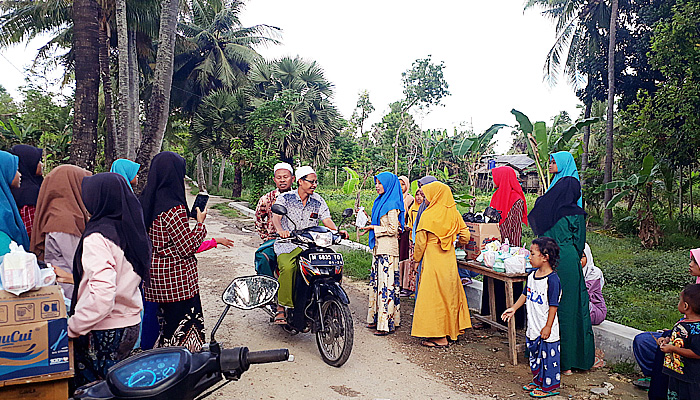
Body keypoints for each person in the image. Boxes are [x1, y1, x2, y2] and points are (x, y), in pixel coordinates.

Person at [68, 172, 151, 388]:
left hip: (104, 330)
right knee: (122, 387)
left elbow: (103, 295)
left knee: (99, 390)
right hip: (131, 324)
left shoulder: (97, 238)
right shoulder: (130, 230)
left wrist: (73, 327)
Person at [140, 151, 208, 352]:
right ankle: (182, 365)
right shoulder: (174, 207)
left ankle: (158, 359)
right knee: (182, 326)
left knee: (163, 325)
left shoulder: (148, 200)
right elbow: (186, 247)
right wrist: (200, 225)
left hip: (155, 275)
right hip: (177, 280)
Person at [528, 175, 595, 374]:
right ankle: (567, 362)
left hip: (544, 259)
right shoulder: (575, 213)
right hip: (566, 261)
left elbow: (538, 232)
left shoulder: (544, 206)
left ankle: (541, 354)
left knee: (544, 306)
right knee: (569, 309)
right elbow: (579, 243)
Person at [271, 165, 346, 325]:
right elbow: (276, 218)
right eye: (311, 181)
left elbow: (326, 220)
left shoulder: (318, 200)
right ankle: (281, 307)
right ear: (300, 182)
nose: (314, 185)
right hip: (288, 243)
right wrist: (281, 230)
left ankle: (331, 300)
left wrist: (337, 231)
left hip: (311, 245)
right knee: (288, 267)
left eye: (316, 182)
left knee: (332, 264)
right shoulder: (285, 199)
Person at [632, 248, 700, 397]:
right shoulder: (694, 291)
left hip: (689, 375)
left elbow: (696, 351)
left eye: (695, 261)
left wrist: (673, 345)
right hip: (680, 361)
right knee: (643, 341)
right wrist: (671, 336)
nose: (690, 264)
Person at [411, 181, 471, 348]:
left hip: (432, 260)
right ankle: (452, 332)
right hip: (449, 260)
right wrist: (457, 243)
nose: (425, 199)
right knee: (450, 294)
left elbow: (420, 244)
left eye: (427, 195)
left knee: (433, 297)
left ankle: (439, 337)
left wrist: (415, 261)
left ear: (435, 195)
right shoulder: (454, 213)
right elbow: (465, 234)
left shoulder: (428, 216)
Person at [502, 237, 562, 398]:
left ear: (545, 257)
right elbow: (525, 294)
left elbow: (553, 305)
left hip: (546, 328)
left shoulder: (553, 281)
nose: (529, 257)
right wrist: (514, 308)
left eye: (532, 254)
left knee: (548, 359)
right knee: (535, 357)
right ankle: (537, 381)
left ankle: (549, 387)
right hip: (533, 326)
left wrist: (548, 326)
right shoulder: (532, 275)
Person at [30, 165, 92, 302]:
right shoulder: (64, 219)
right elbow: (77, 261)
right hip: (69, 292)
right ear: (72, 186)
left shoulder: (60, 211)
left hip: (67, 287)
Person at [482, 166, 528, 329]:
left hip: (510, 248)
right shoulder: (496, 196)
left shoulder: (517, 199)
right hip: (494, 246)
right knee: (491, 279)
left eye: (495, 177)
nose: (493, 180)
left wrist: (508, 249)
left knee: (510, 282)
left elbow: (514, 227)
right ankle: (489, 316)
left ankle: (513, 322)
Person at [360, 172, 405, 336]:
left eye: (380, 183)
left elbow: (394, 229)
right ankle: (378, 318)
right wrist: (369, 224)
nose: (377, 186)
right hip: (379, 248)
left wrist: (374, 229)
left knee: (386, 287)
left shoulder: (392, 205)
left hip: (387, 250)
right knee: (379, 285)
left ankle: (385, 324)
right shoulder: (381, 202)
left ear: (388, 184)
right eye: (376, 183)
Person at [659, 284, 700, 400]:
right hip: (676, 374)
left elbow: (697, 353)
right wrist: (667, 340)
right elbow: (679, 339)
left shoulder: (696, 330)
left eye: (680, 301)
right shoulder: (683, 322)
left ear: (686, 306)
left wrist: (672, 349)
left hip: (690, 378)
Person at [9, 145, 43, 238]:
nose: (41, 165)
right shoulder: (28, 191)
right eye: (38, 161)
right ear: (29, 163)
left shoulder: (12, 186)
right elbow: (30, 229)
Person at [255, 162, 295, 242]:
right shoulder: (267, 199)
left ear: (292, 179)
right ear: (274, 180)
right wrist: (266, 238)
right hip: (274, 241)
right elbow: (259, 220)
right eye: (279, 177)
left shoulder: (299, 198)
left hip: (296, 241)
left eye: (285, 177)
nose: (282, 180)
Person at [0, 150, 29, 251]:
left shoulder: (5, 200)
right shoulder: (3, 210)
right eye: (16, 169)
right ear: (4, 170)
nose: (19, 174)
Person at [403, 188, 424, 295]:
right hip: (412, 238)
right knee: (411, 263)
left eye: (422, 195)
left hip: (420, 240)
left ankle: (415, 289)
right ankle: (410, 287)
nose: (419, 197)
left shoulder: (425, 209)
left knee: (417, 263)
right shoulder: (413, 208)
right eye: (417, 194)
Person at [581, 243, 607, 325]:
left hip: (595, 311)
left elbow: (583, 294)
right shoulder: (573, 271)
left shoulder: (593, 273)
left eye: (582, 257)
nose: (579, 260)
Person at [397, 176, 414, 295]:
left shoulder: (410, 199)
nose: (401, 187)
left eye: (403, 184)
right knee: (397, 256)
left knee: (404, 257)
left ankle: (405, 285)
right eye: (399, 184)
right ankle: (397, 283)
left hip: (405, 232)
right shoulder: (394, 197)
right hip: (395, 230)